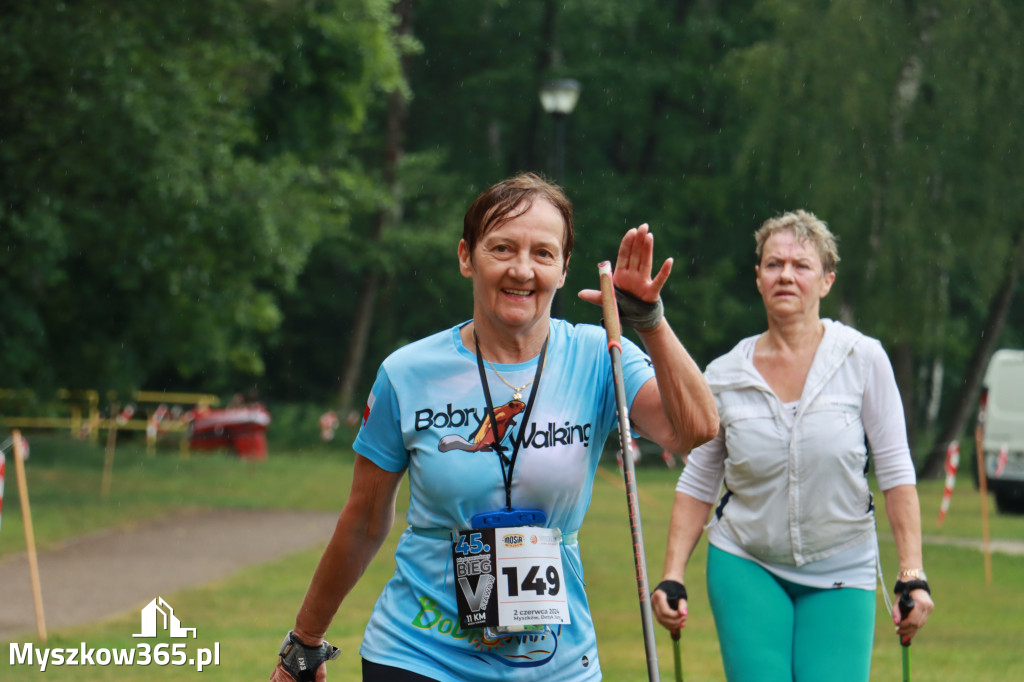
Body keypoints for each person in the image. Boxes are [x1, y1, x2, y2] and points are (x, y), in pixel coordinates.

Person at [270, 172, 719, 682]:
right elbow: (364, 521)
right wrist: (304, 643)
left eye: (543, 253)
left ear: (565, 268)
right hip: (420, 653)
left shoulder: (599, 356)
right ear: (467, 257)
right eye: (502, 248)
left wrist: (651, 321)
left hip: (557, 663)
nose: (522, 270)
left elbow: (695, 429)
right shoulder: (407, 373)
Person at [651, 210, 935, 681]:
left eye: (801, 265)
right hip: (747, 563)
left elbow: (895, 467)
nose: (786, 274)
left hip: (843, 565)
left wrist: (912, 572)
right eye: (773, 264)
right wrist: (672, 575)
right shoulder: (723, 375)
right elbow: (699, 478)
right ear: (759, 279)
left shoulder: (862, 359)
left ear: (826, 281)